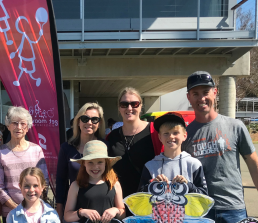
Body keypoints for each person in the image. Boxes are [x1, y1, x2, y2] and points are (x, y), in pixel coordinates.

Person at [182, 71, 258, 223]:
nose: (201, 98)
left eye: (206, 92)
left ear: (215, 92)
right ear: (188, 97)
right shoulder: (184, 135)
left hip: (233, 209)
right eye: (195, 93)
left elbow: (254, 164)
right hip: (199, 211)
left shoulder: (235, 126)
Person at [107, 87, 163, 216]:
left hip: (150, 202)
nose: (129, 108)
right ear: (119, 107)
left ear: (140, 106)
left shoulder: (154, 132)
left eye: (134, 104)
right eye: (124, 104)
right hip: (120, 204)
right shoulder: (112, 136)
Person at [0, 106, 49, 220]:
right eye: (14, 123)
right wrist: (17, 208)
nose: (18, 127)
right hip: (10, 213)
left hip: (34, 211)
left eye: (23, 124)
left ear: (28, 127)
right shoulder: (0, 153)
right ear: (8, 126)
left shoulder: (37, 150)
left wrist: (32, 206)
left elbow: (44, 181)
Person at [56, 102, 106, 220]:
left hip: (99, 209)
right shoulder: (66, 148)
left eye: (94, 119)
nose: (89, 122)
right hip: (72, 210)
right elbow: (61, 180)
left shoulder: (105, 147)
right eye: (85, 118)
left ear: (99, 124)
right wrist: (59, 211)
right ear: (78, 122)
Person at [138, 112, 208, 195]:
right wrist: (153, 185)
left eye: (175, 133)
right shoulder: (150, 166)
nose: (171, 136)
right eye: (166, 133)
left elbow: (204, 195)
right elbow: (140, 195)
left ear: (184, 136)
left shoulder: (194, 164)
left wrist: (188, 186)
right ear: (160, 137)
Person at [64, 140, 125, 223]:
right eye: (90, 162)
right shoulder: (76, 185)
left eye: (100, 162)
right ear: (84, 163)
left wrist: (116, 210)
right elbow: (67, 216)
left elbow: (123, 213)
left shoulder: (114, 183)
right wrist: (82, 212)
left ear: (106, 163)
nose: (95, 166)